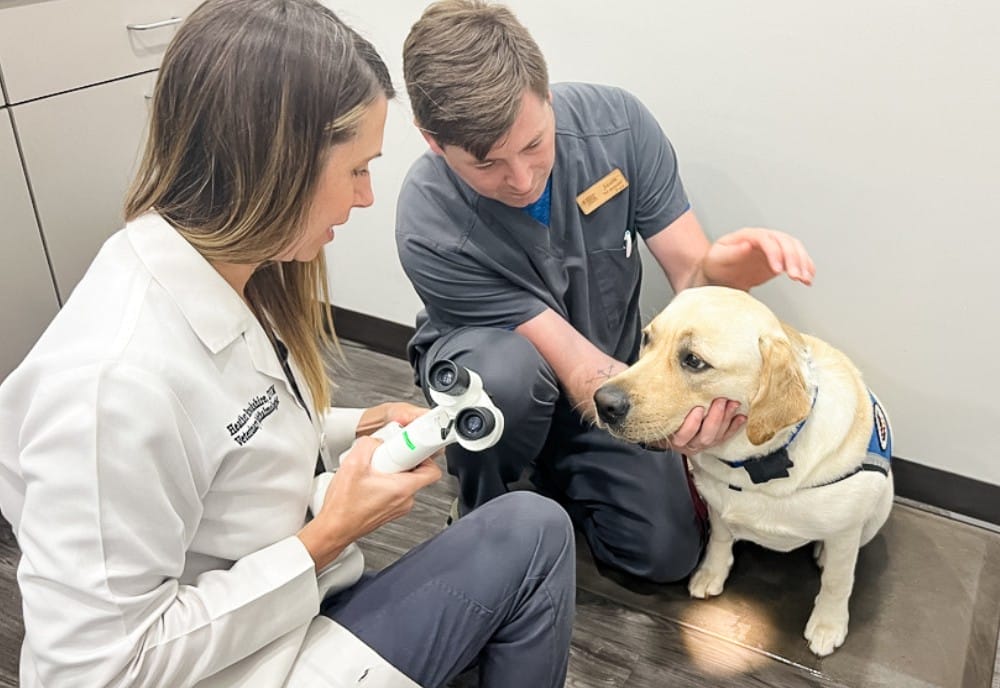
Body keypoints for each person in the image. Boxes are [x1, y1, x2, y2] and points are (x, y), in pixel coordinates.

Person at [0, 1, 575, 686]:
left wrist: (348, 427)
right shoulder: (109, 387)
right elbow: (90, 672)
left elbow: (225, 436)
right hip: (244, 662)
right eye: (357, 169)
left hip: (292, 608)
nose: (365, 199)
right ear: (276, 167)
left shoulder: (227, 272)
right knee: (535, 533)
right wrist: (325, 537)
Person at [396, 0, 816, 584]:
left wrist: (727, 268)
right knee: (506, 381)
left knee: (665, 555)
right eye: (487, 164)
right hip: (512, 377)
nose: (521, 180)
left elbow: (694, 279)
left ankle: (553, 469)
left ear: (547, 98)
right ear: (435, 144)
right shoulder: (428, 220)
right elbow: (567, 361)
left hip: (615, 373)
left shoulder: (618, 128)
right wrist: (663, 423)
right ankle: (482, 494)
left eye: (535, 144)